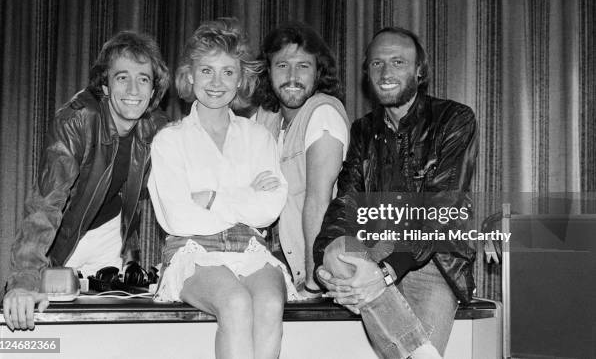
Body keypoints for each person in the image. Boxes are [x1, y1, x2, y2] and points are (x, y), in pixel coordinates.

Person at [313, 27, 478, 359]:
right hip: (372, 249)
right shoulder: (363, 130)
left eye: (398, 62)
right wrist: (323, 263)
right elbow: (345, 201)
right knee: (336, 250)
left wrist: (386, 273)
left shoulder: (453, 118)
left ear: (419, 70)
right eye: (376, 64)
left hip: (432, 259)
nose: (386, 73)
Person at [3, 31, 170, 330]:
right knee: (48, 334)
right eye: (122, 77)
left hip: (110, 238)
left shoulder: (158, 127)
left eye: (143, 78)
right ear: (104, 85)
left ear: (153, 88)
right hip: (64, 241)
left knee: (106, 334)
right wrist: (25, 279)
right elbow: (46, 203)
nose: (133, 88)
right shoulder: (76, 120)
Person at [148, 18, 294, 359]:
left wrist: (212, 198)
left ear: (241, 78)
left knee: (271, 302)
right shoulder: (170, 140)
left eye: (228, 72)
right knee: (236, 301)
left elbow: (269, 208)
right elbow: (178, 218)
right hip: (193, 250)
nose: (217, 82)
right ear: (190, 75)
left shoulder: (258, 136)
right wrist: (245, 198)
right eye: (207, 71)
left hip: (252, 249)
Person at [252, 22, 349, 297]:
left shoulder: (323, 113)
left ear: (319, 72)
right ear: (268, 71)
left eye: (303, 66)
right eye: (282, 65)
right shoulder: (266, 118)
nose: (292, 76)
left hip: (311, 266)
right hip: (270, 256)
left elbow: (319, 200)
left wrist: (312, 281)